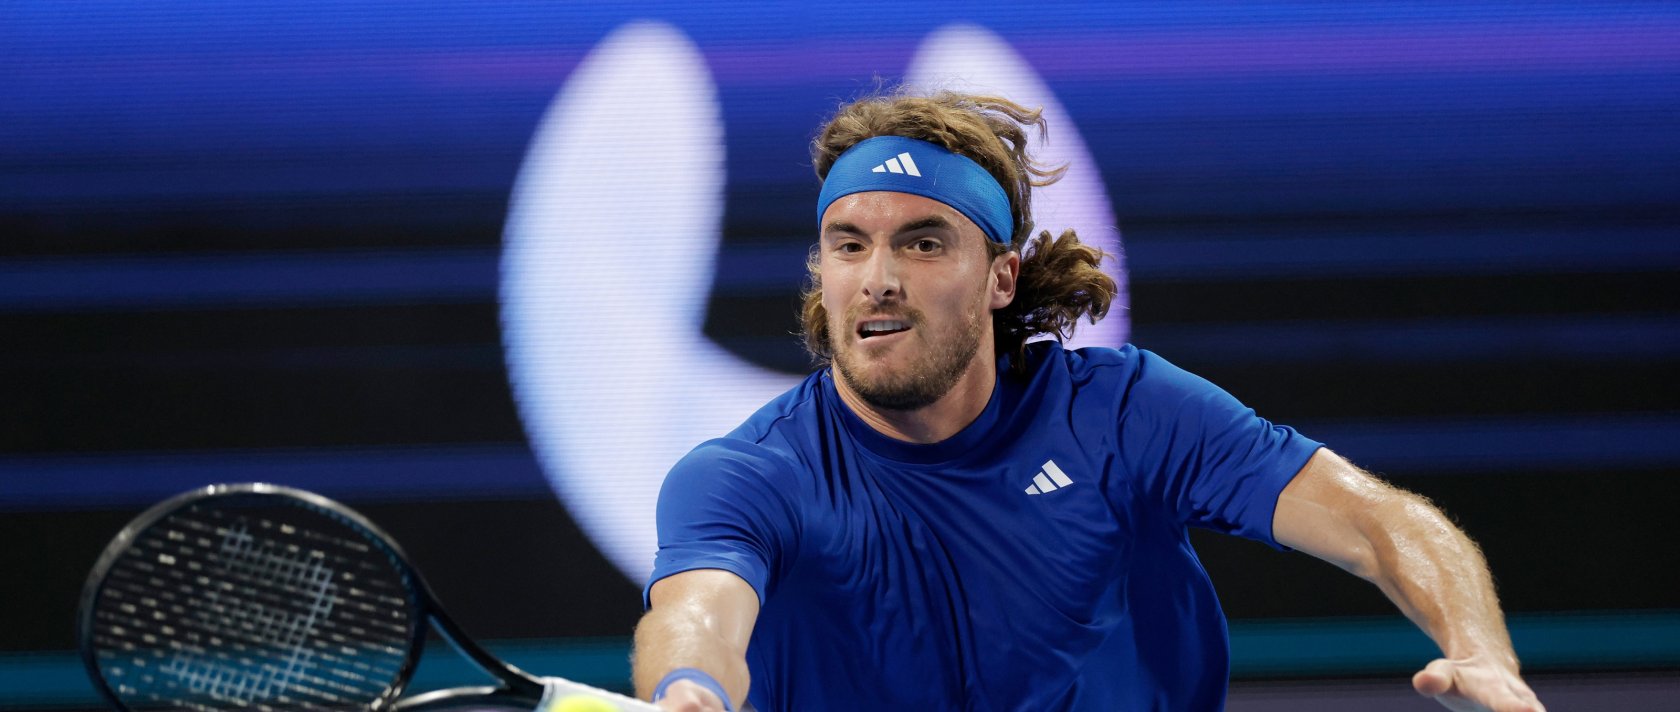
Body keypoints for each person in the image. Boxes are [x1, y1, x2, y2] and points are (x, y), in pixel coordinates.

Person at [630, 90, 1545, 712]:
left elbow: (1378, 522)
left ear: (999, 277)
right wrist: (687, 691)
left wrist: (1479, 652)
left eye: (921, 243)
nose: (878, 280)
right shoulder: (747, 477)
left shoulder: (1127, 413)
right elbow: (699, 613)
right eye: (848, 245)